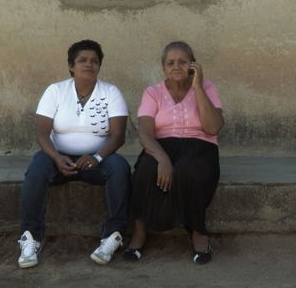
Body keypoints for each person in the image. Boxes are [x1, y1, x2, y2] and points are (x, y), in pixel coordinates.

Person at [17, 39, 131, 268]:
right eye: (82, 60)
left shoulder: (111, 92)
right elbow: (41, 134)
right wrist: (57, 158)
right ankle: (31, 238)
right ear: (71, 66)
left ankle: (112, 236)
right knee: (36, 171)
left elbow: (118, 136)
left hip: (98, 159)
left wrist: (97, 157)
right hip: (59, 157)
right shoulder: (56, 91)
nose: (89, 64)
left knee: (120, 168)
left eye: (94, 61)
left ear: (99, 66)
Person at [125, 41, 224, 264]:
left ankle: (198, 232)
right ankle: (140, 230)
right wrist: (162, 159)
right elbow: (144, 132)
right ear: (163, 68)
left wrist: (197, 86)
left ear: (193, 65)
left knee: (191, 172)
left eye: (182, 61)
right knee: (144, 172)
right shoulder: (153, 92)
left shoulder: (207, 88)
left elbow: (213, 128)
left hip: (200, 144)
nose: (176, 66)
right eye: (170, 63)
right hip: (161, 145)